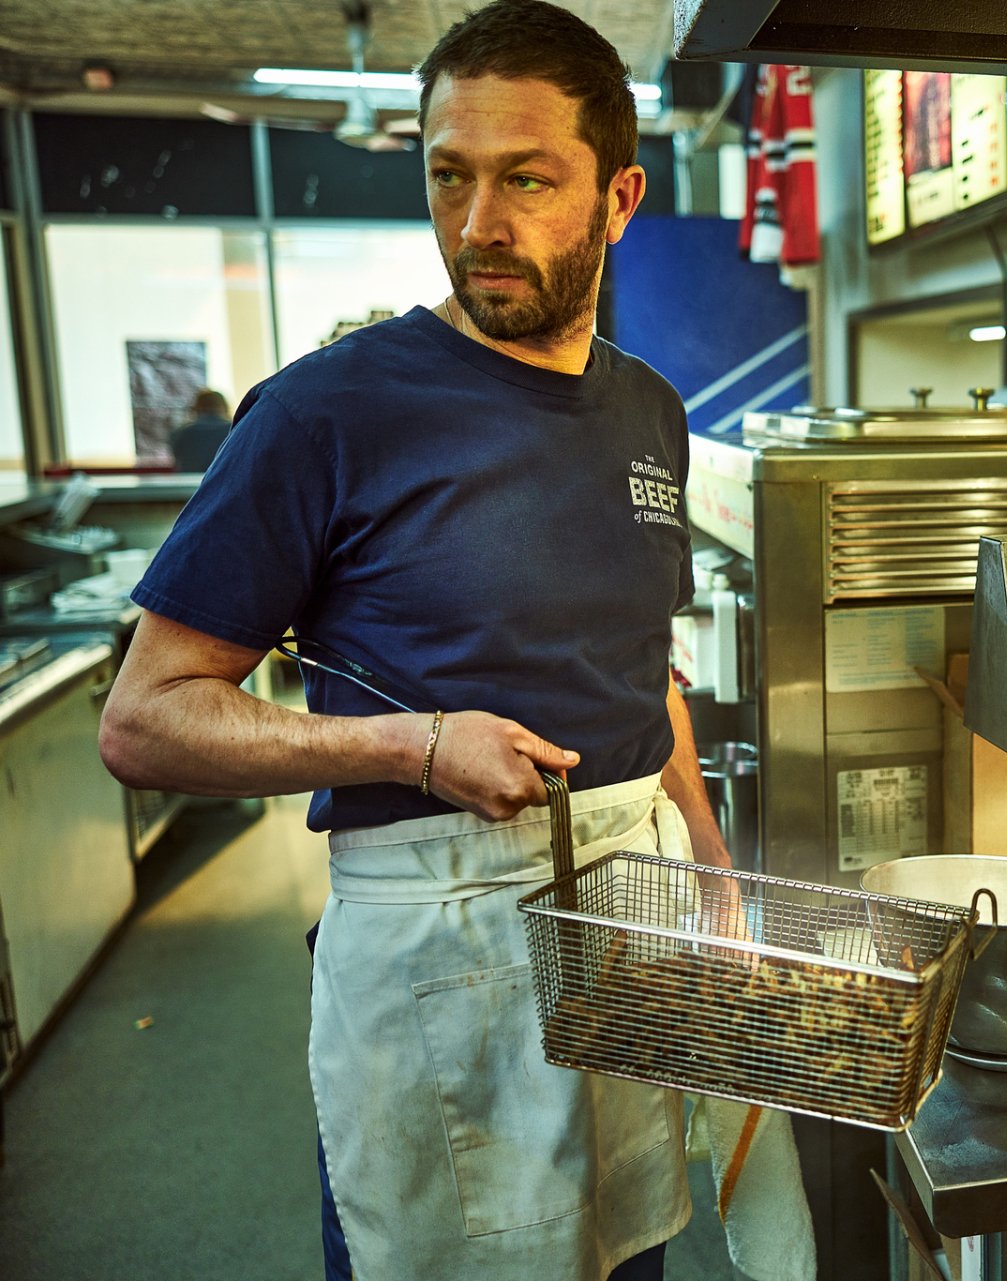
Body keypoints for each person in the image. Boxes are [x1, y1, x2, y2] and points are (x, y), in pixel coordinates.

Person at [97, 4, 729, 1278]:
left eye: (526, 180)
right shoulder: (323, 414)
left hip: (631, 923)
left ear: (618, 199)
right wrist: (415, 747)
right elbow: (145, 717)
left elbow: (642, 669)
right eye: (450, 176)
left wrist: (712, 869)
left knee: (628, 1251)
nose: (478, 222)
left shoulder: (651, 413)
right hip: (444, 953)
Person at [168, 388, 231, 472]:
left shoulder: (180, 433)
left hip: (190, 479)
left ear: (196, 408)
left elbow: (178, 459)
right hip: (225, 479)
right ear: (225, 407)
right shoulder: (234, 431)